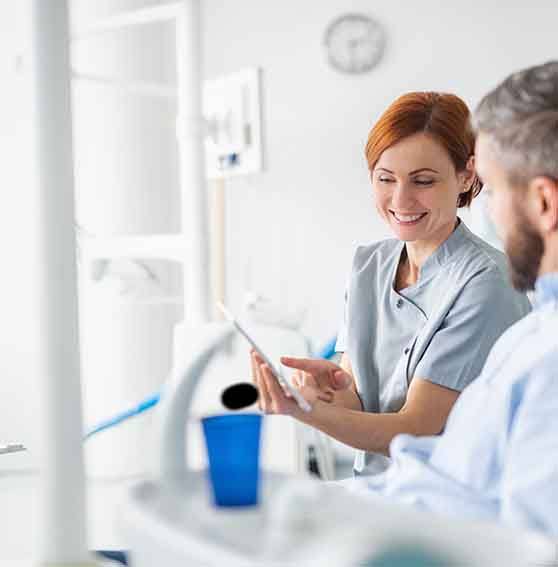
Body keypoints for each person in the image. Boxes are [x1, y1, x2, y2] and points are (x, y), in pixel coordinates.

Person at [258, 61, 558, 537]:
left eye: (423, 180)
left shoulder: (490, 284)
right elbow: (359, 396)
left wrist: (310, 413)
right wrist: (335, 393)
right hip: (385, 497)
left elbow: (422, 430)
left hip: (418, 522)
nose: (401, 198)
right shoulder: (369, 264)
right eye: (385, 178)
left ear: (466, 177)